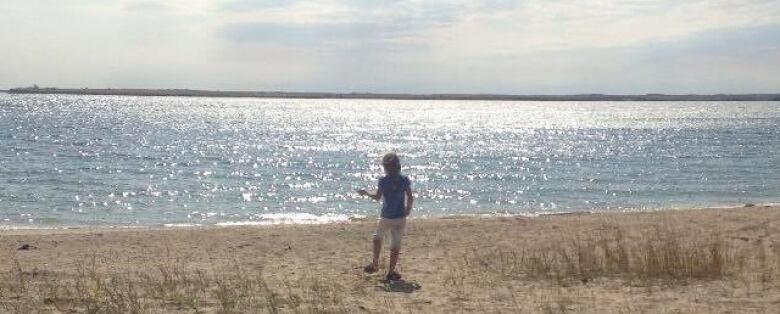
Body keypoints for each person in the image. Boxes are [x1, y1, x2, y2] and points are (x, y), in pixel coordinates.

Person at [357, 152, 414, 281]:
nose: (389, 169)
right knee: (389, 242)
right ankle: (386, 268)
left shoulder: (390, 180)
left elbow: (378, 197)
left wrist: (366, 193)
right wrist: (408, 209)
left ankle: (383, 267)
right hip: (394, 216)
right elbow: (409, 197)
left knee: (381, 240)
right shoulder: (398, 180)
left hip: (390, 216)